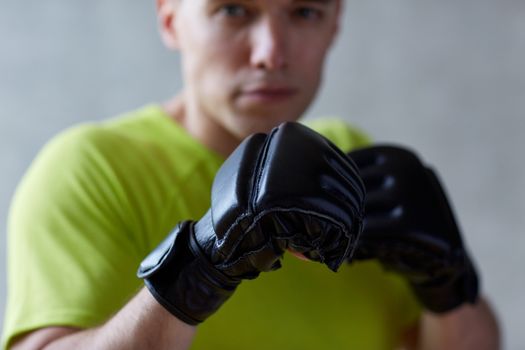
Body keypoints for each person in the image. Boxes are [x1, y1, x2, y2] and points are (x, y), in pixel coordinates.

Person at [2, 0, 500, 349]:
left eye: (305, 12)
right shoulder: (90, 169)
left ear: (335, 25)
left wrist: (448, 284)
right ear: (170, 18)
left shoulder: (351, 160)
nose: (271, 53)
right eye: (233, 10)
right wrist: (197, 269)